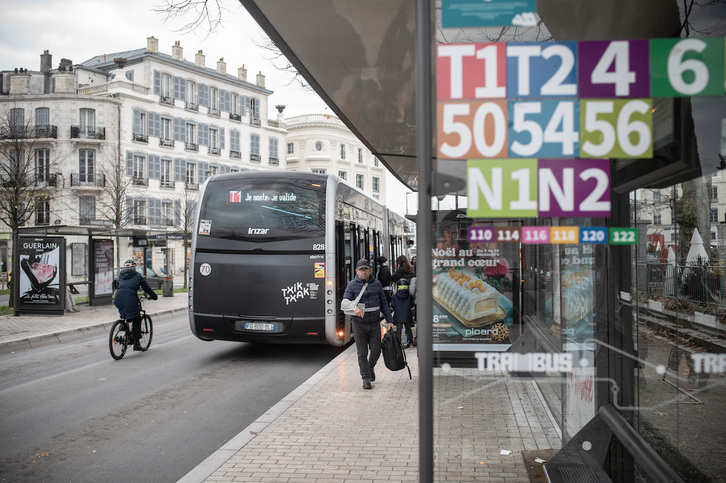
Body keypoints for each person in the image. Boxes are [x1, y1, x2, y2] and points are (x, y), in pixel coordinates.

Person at [342, 259, 394, 390]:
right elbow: (344, 302)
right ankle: (365, 378)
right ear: (356, 271)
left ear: (370, 270)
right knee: (362, 353)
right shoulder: (351, 285)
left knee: (376, 350)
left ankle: (370, 368)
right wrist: (354, 307)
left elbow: (384, 304)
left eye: (366, 269)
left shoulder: (377, 284)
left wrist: (390, 321)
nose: (363, 272)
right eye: (361, 270)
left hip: (375, 323)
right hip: (359, 324)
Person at [114, 259, 158, 351]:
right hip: (131, 299)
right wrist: (153, 296)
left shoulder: (121, 276)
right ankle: (136, 343)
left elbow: (118, 286)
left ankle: (123, 324)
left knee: (124, 310)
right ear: (134, 267)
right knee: (136, 318)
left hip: (118, 298)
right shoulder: (137, 276)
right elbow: (146, 288)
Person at [391, 255, 416, 348]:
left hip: (398, 314)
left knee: (399, 328)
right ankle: (410, 343)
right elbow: (412, 305)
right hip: (407, 308)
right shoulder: (411, 271)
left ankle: (398, 343)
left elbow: (392, 305)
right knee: (408, 327)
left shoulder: (400, 271)